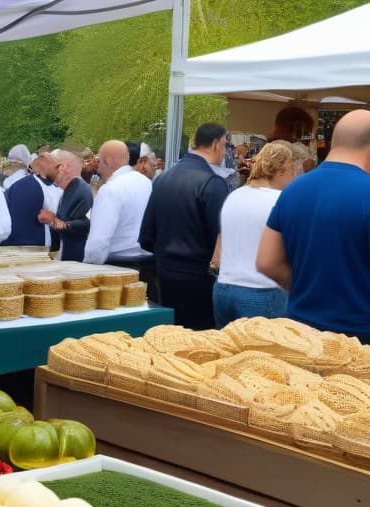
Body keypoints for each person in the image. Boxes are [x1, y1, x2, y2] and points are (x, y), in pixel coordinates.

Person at [257, 109, 370, 342]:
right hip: (360, 335)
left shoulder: (292, 190)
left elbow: (266, 262)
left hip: (303, 329)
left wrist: (307, 287)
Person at [139, 123, 230, 330]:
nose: (225, 152)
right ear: (216, 144)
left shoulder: (163, 178)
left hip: (165, 274)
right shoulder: (213, 183)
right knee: (199, 346)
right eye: (225, 146)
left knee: (171, 338)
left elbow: (146, 235)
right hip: (200, 279)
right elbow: (220, 239)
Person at [211, 143, 297, 328]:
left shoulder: (235, 195)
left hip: (224, 287)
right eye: (292, 171)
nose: (294, 177)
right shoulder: (280, 200)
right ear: (281, 170)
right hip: (262, 290)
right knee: (265, 355)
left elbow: (222, 239)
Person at [83, 141, 153, 281]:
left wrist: (86, 273)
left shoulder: (110, 190)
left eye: (98, 161)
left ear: (107, 161)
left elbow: (98, 244)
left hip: (117, 269)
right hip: (148, 266)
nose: (98, 167)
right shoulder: (146, 183)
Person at [39, 149, 92, 261]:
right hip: (69, 253)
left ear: (62, 167)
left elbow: (86, 222)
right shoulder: (70, 189)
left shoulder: (78, 187)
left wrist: (54, 221)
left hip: (76, 256)